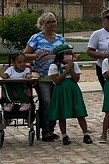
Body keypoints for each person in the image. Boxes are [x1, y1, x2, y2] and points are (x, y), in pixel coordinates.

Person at [24, 12, 66, 141]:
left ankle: (51, 128)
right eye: (49, 22)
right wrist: (36, 55)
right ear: (42, 24)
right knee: (46, 101)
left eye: (53, 21)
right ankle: (45, 129)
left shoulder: (60, 39)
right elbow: (25, 54)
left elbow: (65, 54)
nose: (52, 24)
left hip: (56, 75)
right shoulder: (36, 38)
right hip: (42, 75)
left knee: (54, 102)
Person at [48, 44, 92, 145]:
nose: (69, 56)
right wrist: (65, 71)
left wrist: (71, 69)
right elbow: (56, 81)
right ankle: (64, 135)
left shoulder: (74, 65)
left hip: (73, 89)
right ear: (60, 55)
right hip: (61, 90)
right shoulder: (54, 66)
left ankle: (85, 134)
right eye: (66, 54)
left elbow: (76, 79)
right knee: (62, 114)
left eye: (70, 54)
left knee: (80, 112)